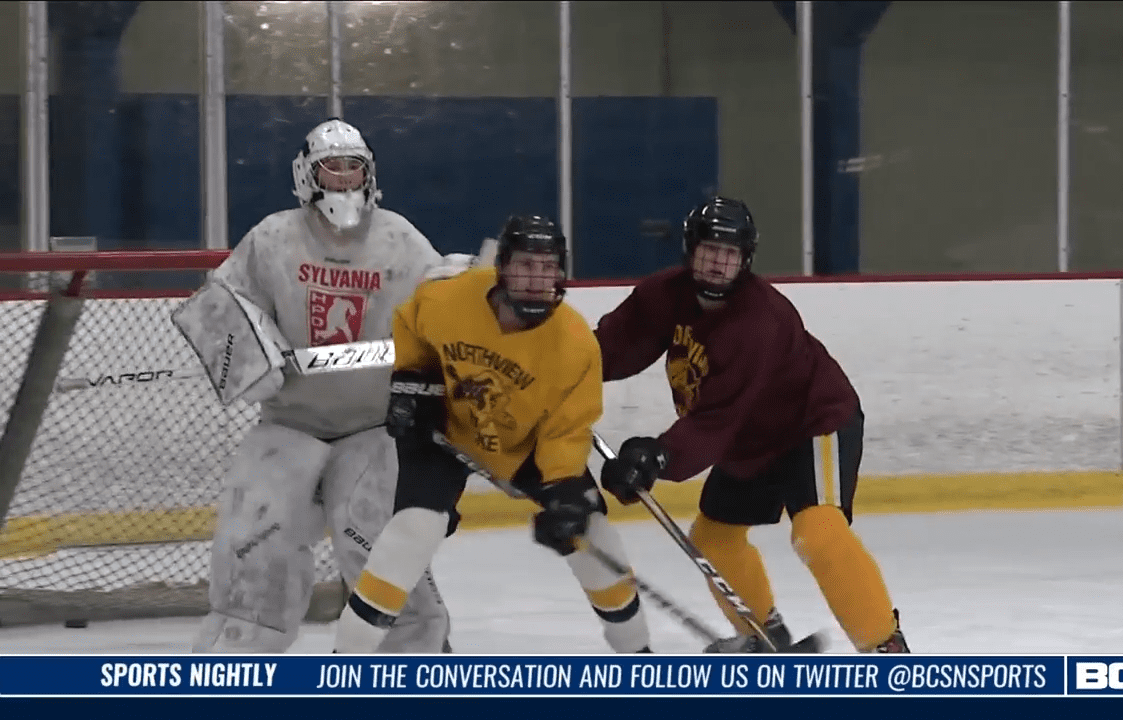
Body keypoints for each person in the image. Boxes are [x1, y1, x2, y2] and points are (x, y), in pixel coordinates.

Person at [176, 118, 476, 653]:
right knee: (253, 547)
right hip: (288, 424)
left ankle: (415, 660)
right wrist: (250, 357)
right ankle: (236, 668)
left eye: (352, 167)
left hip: (372, 429)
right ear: (307, 174)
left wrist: (463, 289)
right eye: (330, 168)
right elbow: (221, 305)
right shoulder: (273, 237)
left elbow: (438, 312)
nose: (342, 179)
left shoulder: (398, 239)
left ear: (370, 174)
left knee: (379, 548)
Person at [591, 196, 910, 654]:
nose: (720, 263)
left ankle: (887, 651)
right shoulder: (665, 295)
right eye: (710, 249)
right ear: (690, 249)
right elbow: (610, 349)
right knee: (714, 539)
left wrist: (657, 457)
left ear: (746, 259)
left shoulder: (759, 320)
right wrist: (558, 371)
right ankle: (765, 635)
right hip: (748, 437)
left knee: (818, 534)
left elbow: (716, 419)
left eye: (731, 253)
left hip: (811, 423)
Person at [331, 215, 653, 655]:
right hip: (447, 431)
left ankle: (639, 660)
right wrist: (413, 381)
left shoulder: (576, 343)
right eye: (526, 265)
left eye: (548, 267)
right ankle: (342, 664)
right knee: (412, 532)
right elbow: (410, 325)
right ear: (501, 267)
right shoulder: (449, 299)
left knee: (594, 537)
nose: (537, 278)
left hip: (526, 449)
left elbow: (567, 430)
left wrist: (563, 494)